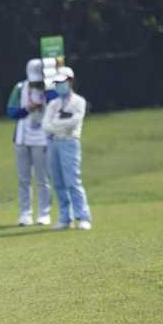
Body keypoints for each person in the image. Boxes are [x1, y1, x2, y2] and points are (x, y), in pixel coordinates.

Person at [6, 58, 57, 226]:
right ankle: (25, 214)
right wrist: (27, 108)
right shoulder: (20, 87)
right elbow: (11, 112)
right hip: (22, 138)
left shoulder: (50, 87)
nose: (36, 84)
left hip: (42, 138)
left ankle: (44, 213)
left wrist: (46, 94)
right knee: (24, 178)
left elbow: (56, 105)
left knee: (42, 178)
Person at [42, 66, 92, 230]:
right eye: (56, 83)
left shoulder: (79, 101)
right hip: (54, 143)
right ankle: (65, 218)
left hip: (70, 142)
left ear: (70, 81)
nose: (58, 85)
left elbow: (75, 122)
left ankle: (83, 216)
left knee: (73, 181)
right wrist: (60, 124)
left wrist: (56, 124)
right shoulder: (53, 103)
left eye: (62, 82)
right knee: (58, 181)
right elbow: (45, 126)